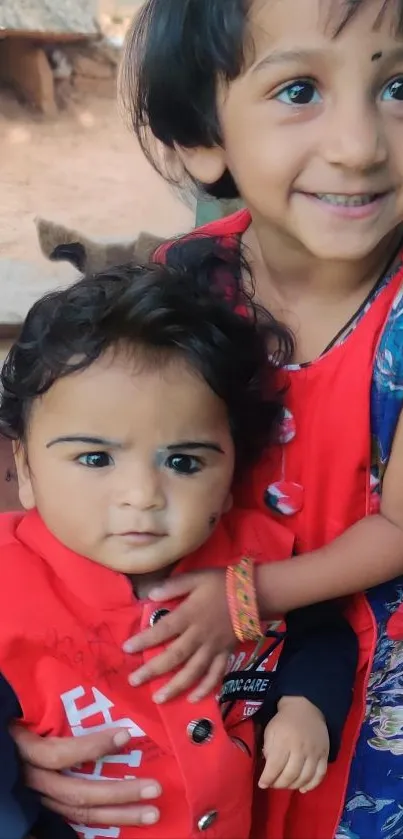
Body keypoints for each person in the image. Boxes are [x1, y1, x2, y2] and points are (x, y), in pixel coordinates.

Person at [102, 1, 403, 837]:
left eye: (398, 85)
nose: (360, 145)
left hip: (372, 696)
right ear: (203, 136)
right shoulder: (182, 281)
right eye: (300, 88)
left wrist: (244, 596)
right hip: (203, 662)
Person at [0, 251, 357, 839]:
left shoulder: (259, 558)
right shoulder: (8, 588)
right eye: (95, 458)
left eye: (184, 461)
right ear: (26, 469)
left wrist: (305, 705)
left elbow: (320, 633)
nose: (142, 495)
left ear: (234, 464)